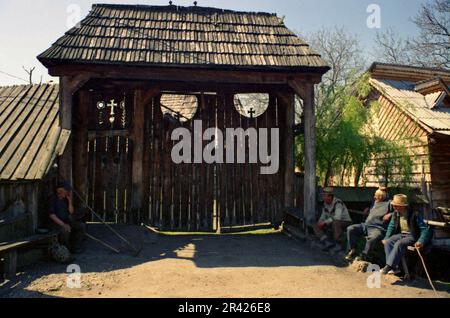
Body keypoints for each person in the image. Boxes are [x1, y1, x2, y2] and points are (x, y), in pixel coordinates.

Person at [381, 194, 431, 275]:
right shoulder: (395, 214)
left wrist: (421, 241)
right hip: (401, 234)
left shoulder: (415, 214)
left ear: (403, 206)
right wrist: (386, 237)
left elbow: (424, 229)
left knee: (399, 243)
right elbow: (391, 226)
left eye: (396, 206)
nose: (394, 207)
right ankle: (394, 267)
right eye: (394, 205)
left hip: (412, 236)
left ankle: (389, 266)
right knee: (388, 242)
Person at [345, 189, 393, 262]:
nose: (374, 197)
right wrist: (368, 208)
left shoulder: (389, 203)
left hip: (377, 228)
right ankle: (353, 250)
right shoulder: (374, 202)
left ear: (381, 197)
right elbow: (372, 208)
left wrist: (390, 214)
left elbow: (398, 210)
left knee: (373, 238)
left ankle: (364, 256)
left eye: (376, 196)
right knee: (351, 229)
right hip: (366, 225)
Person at [48, 181, 86, 253]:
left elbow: (71, 212)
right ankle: (66, 249)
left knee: (81, 226)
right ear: (59, 190)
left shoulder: (65, 199)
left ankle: (75, 247)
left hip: (66, 221)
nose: (67, 192)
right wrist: (63, 225)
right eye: (65, 191)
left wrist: (69, 201)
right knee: (65, 230)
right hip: (56, 224)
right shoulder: (52, 199)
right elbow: (51, 215)